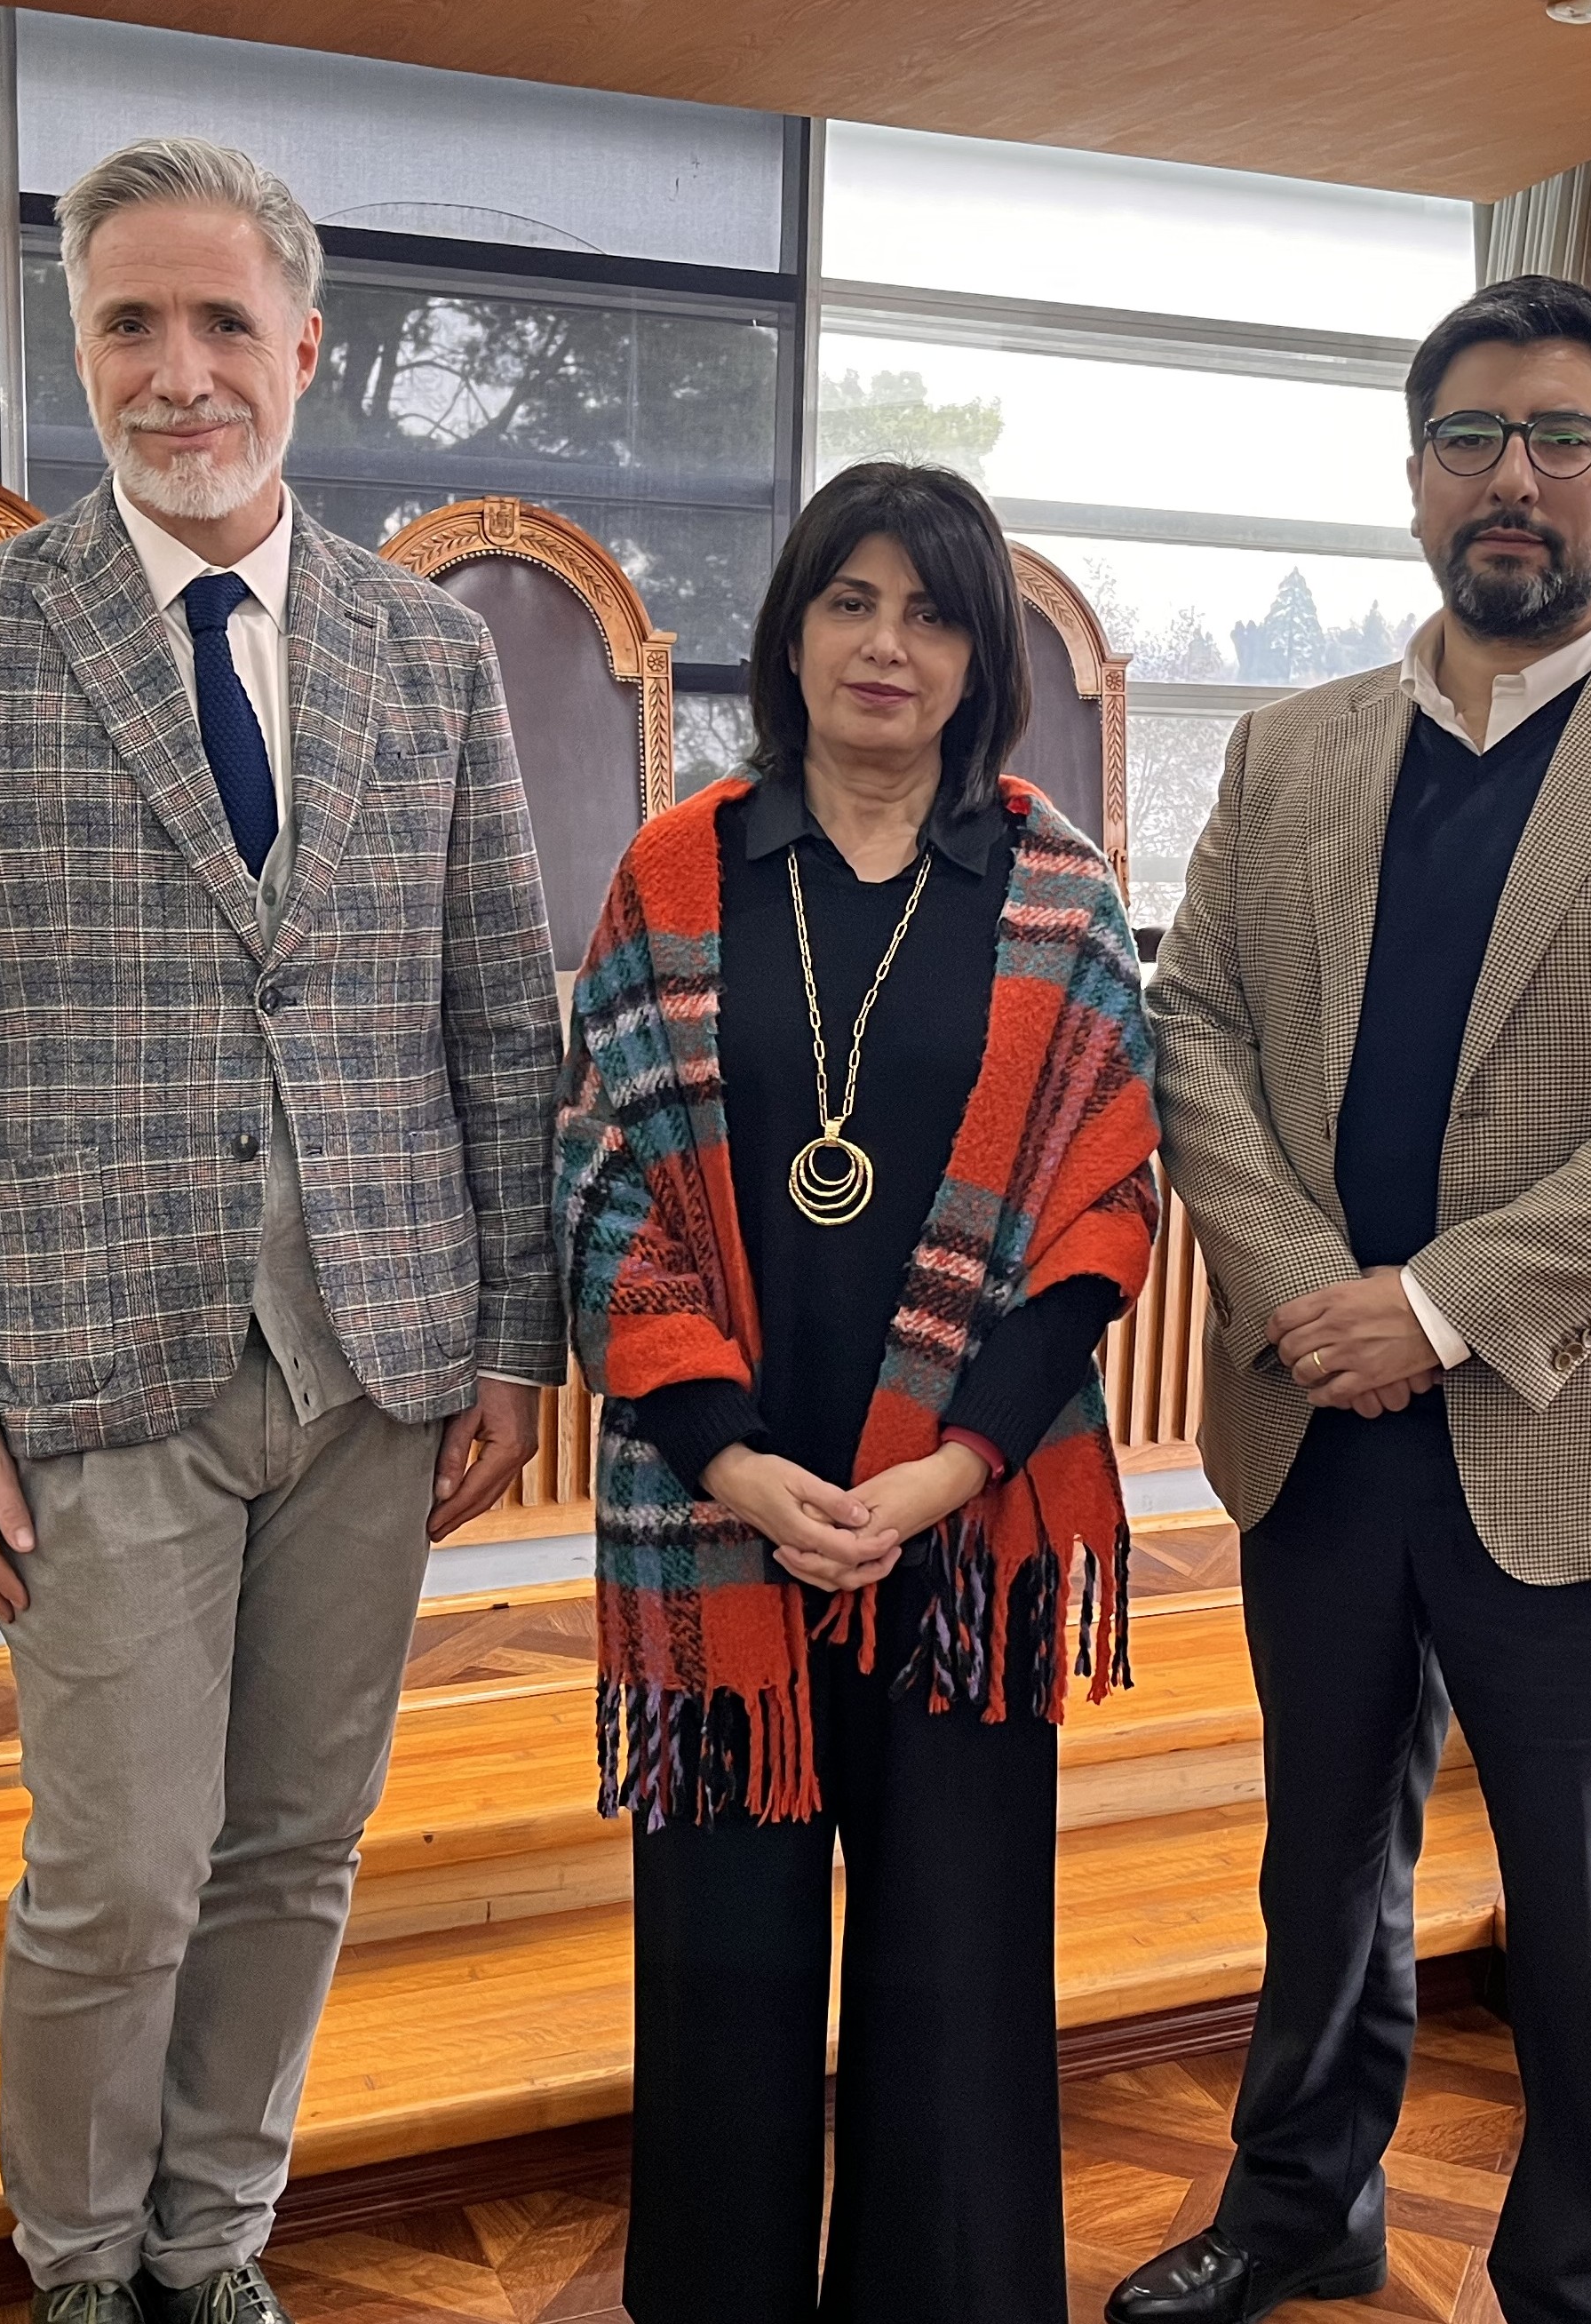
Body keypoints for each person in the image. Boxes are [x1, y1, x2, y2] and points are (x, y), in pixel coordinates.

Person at [0, 136, 563, 2324]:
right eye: (128, 322)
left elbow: (498, 1024)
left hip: (376, 1364)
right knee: (120, 1874)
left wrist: (514, 1342)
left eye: (223, 320)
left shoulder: (427, 656)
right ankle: (77, 2265)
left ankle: (211, 2244)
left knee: (295, 1850)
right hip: (84, 1375)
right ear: (80, 349)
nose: (178, 370)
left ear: (305, 349)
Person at [1110, 275, 1591, 2324]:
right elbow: (1196, 1025)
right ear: (1417, 477)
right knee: (1322, 1870)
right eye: (1470, 439)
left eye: (1561, 438)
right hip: (1324, 1423)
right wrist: (1303, 1296)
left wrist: (1433, 1306)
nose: (1512, 477)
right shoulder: (1292, 752)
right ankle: (1300, 2208)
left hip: (1590, 1435)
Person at [553, 462, 1161, 2324]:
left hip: (963, 1535)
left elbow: (1105, 1217)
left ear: (983, 661)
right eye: (851, 601)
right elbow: (601, 1189)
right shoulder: (680, 872)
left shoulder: (1060, 893)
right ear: (794, 629)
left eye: (933, 612)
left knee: (954, 1984)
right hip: (720, 1528)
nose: (888, 645)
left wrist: (946, 1471)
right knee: (723, 1985)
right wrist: (733, 1461)